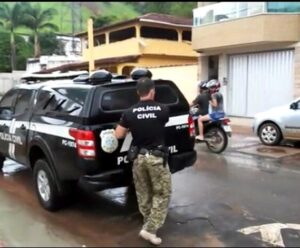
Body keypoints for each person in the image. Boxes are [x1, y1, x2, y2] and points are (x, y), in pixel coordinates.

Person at [114, 77, 171, 246]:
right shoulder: (163, 110)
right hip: (156, 158)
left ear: (138, 93)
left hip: (139, 158)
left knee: (143, 193)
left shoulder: (129, 112)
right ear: (152, 91)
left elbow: (118, 135)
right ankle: (150, 229)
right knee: (161, 194)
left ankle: (148, 226)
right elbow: (160, 123)